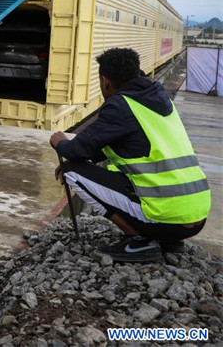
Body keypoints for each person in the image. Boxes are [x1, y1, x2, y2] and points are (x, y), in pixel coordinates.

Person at [50, 48, 209, 263]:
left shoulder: (120, 106)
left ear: (105, 82)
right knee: (113, 174)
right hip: (196, 216)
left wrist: (59, 142)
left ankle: (140, 242)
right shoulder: (159, 99)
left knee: (72, 171)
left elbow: (76, 150)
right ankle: (168, 240)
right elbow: (99, 148)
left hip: (167, 218)